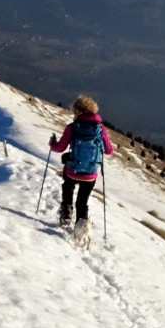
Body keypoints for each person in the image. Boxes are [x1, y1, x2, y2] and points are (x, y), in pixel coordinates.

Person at [48, 95, 114, 237]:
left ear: (77, 111)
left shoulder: (72, 127)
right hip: (90, 174)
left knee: (68, 185)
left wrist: (52, 143)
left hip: (73, 170)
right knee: (83, 201)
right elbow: (109, 150)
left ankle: (66, 212)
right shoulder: (100, 129)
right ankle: (81, 226)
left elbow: (59, 148)